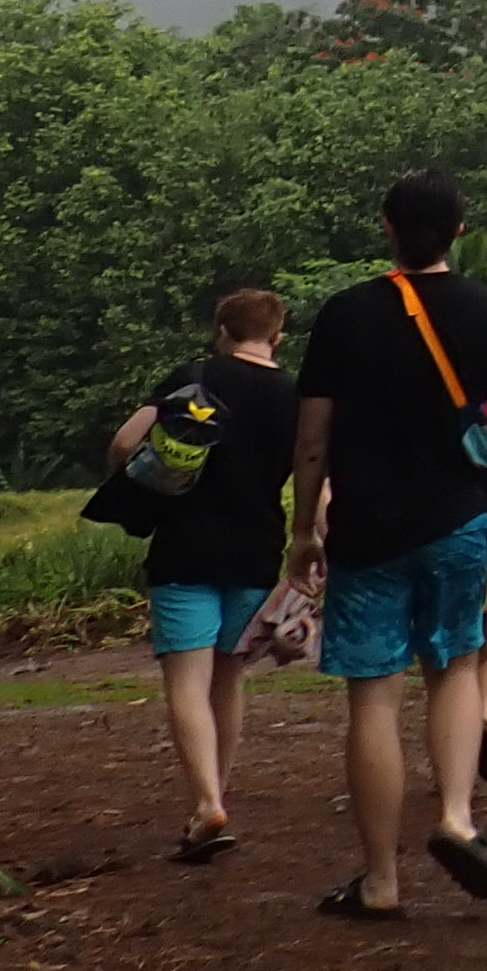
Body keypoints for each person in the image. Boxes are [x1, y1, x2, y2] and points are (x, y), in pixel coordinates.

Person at [286, 171, 487, 918]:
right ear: (460, 231)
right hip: (457, 524)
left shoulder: (343, 315)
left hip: (366, 531)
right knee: (455, 668)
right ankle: (457, 817)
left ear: (387, 229)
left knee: (372, 695)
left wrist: (304, 530)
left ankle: (379, 880)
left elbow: (312, 439)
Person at [108, 286, 298, 863]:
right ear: (277, 336)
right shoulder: (295, 393)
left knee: (186, 682)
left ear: (221, 331)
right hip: (257, 549)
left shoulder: (192, 377)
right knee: (229, 677)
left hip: (185, 547)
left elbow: (123, 443)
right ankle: (219, 794)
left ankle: (206, 803)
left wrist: (142, 477)